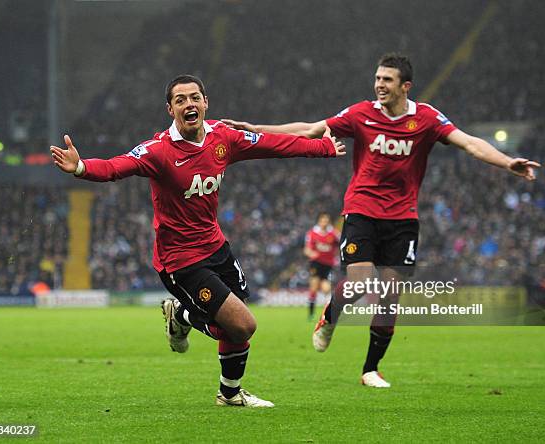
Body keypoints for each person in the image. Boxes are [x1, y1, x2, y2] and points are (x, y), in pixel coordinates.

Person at [223, 53, 541, 388]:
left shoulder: (427, 119)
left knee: (390, 296)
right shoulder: (361, 114)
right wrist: (258, 130)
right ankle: (330, 317)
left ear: (406, 86)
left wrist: (508, 163)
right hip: (362, 211)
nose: (379, 85)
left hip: (403, 219)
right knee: (360, 283)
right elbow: (311, 129)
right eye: (377, 79)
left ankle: (370, 370)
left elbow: (470, 143)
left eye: (386, 80)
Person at [50, 74, 345, 407]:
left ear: (205, 103)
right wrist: (81, 168)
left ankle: (229, 393)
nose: (188, 104)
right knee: (242, 326)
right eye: (180, 100)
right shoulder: (159, 150)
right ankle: (183, 316)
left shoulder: (222, 137)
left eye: (194, 98)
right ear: (170, 109)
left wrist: (322, 147)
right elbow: (119, 166)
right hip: (180, 260)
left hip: (216, 247)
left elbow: (270, 145)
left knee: (235, 328)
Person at [304, 213, 339, 320]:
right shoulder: (312, 233)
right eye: (323, 220)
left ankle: (328, 313)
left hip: (328, 264)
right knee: (314, 287)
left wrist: (337, 257)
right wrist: (311, 253)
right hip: (316, 263)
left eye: (326, 220)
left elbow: (341, 243)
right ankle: (311, 314)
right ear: (319, 221)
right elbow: (307, 249)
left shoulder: (333, 233)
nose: (324, 222)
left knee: (326, 288)